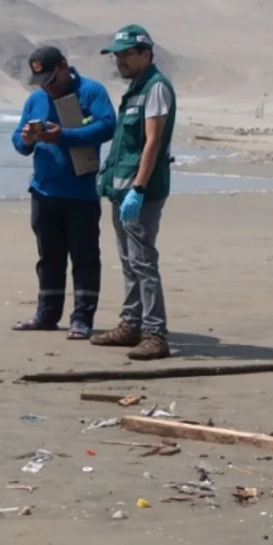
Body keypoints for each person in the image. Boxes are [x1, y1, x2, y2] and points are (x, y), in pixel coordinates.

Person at [10, 45, 116, 340]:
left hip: (81, 193)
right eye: (41, 82)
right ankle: (47, 314)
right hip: (44, 192)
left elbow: (108, 126)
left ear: (65, 67)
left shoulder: (91, 92)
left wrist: (63, 136)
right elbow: (18, 143)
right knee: (49, 257)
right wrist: (28, 139)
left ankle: (82, 319)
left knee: (84, 258)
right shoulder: (35, 100)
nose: (48, 87)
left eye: (51, 80)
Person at [90, 24, 177, 360]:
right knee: (128, 262)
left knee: (143, 263)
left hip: (142, 191)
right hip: (121, 190)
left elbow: (153, 141)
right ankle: (131, 325)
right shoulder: (136, 89)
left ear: (146, 54)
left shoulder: (156, 87)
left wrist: (138, 188)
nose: (120, 61)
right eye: (117, 55)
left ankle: (155, 334)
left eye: (127, 54)